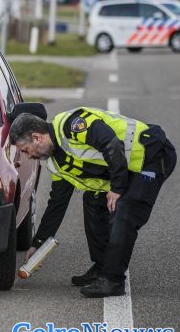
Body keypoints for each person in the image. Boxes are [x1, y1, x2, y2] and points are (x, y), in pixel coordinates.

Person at [9, 108, 176, 298]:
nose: (28, 156)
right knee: (93, 201)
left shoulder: (71, 124)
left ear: (37, 138)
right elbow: (57, 203)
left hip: (151, 155)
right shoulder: (53, 162)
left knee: (124, 212)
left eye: (26, 150)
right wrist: (38, 243)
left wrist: (117, 188)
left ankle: (113, 281)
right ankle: (102, 267)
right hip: (125, 169)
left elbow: (111, 143)